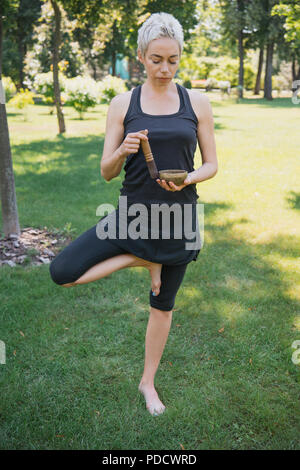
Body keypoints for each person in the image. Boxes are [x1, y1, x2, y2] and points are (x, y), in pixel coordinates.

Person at [49, 12, 218, 417]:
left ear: (180, 57)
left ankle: (148, 383)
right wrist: (122, 150)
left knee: (162, 306)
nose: (164, 68)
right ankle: (142, 258)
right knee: (63, 273)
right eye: (156, 59)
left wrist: (188, 177)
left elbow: (212, 165)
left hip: (177, 222)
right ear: (141, 56)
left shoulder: (196, 103)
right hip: (130, 218)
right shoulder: (123, 104)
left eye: (172, 60)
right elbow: (106, 171)